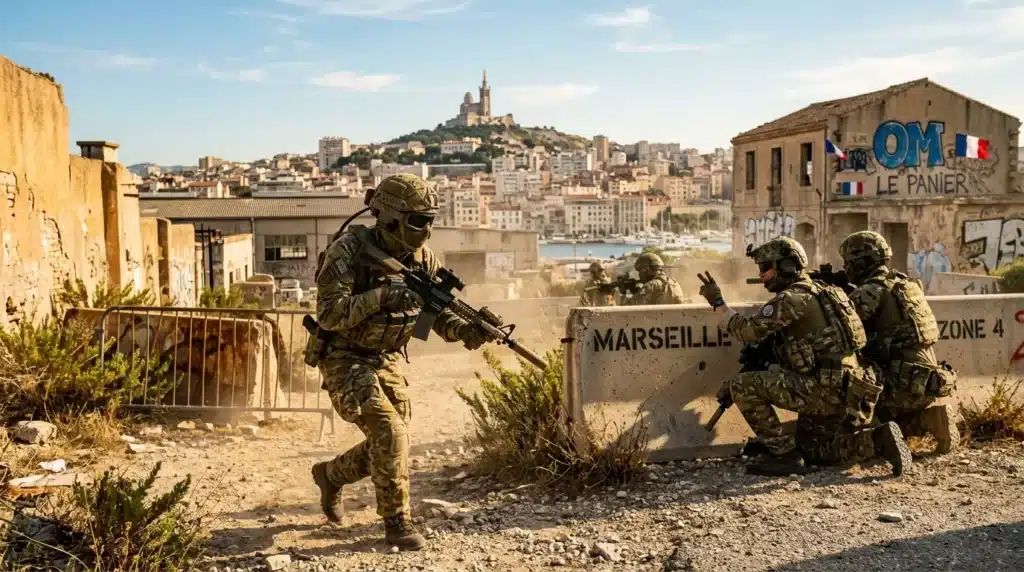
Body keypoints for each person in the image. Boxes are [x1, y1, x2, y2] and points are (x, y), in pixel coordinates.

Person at [309, 174, 494, 551]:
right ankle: (397, 523)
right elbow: (329, 314)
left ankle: (330, 475)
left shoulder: (423, 259)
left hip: (386, 358)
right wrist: (382, 297)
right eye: (418, 221)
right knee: (390, 433)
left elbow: (434, 317)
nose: (427, 230)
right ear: (392, 218)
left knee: (393, 440)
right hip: (344, 356)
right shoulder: (348, 251)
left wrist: (466, 331)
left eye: (430, 220)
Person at [696, 237, 912, 476]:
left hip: (825, 389)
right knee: (815, 450)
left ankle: (784, 456)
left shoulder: (792, 298)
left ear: (786, 266)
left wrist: (717, 301)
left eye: (766, 267)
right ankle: (878, 440)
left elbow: (744, 330)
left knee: (741, 385)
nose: (762, 275)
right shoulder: (829, 291)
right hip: (851, 389)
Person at [840, 231, 959, 453]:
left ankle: (877, 437)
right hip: (929, 382)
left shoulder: (871, 291)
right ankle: (932, 419)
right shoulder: (908, 284)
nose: (846, 268)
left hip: (900, 386)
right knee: (894, 420)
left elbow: (841, 332)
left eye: (848, 263)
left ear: (861, 263)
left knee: (844, 404)